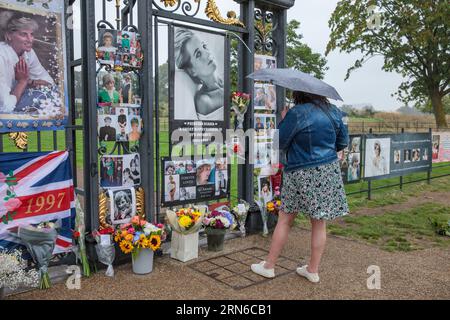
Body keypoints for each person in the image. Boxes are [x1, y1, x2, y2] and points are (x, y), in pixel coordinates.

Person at [251, 91, 349, 283]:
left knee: (285, 219)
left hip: (299, 171)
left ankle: (269, 266)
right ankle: (312, 270)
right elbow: (342, 142)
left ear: (299, 94)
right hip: (328, 170)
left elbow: (279, 143)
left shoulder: (296, 113)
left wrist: (284, 119)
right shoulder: (334, 111)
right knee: (319, 222)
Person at [0, 12, 56, 113]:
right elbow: (5, 108)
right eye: (24, 34)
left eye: (32, 34)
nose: (30, 40)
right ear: (8, 35)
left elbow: (50, 84)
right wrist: (22, 82)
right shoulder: (2, 56)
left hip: (13, 101)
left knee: (50, 95)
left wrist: (30, 82)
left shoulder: (28, 53)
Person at [175, 28, 224, 121]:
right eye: (198, 54)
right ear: (192, 71)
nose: (207, 53)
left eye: (204, 46)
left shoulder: (227, 81)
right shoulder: (204, 100)